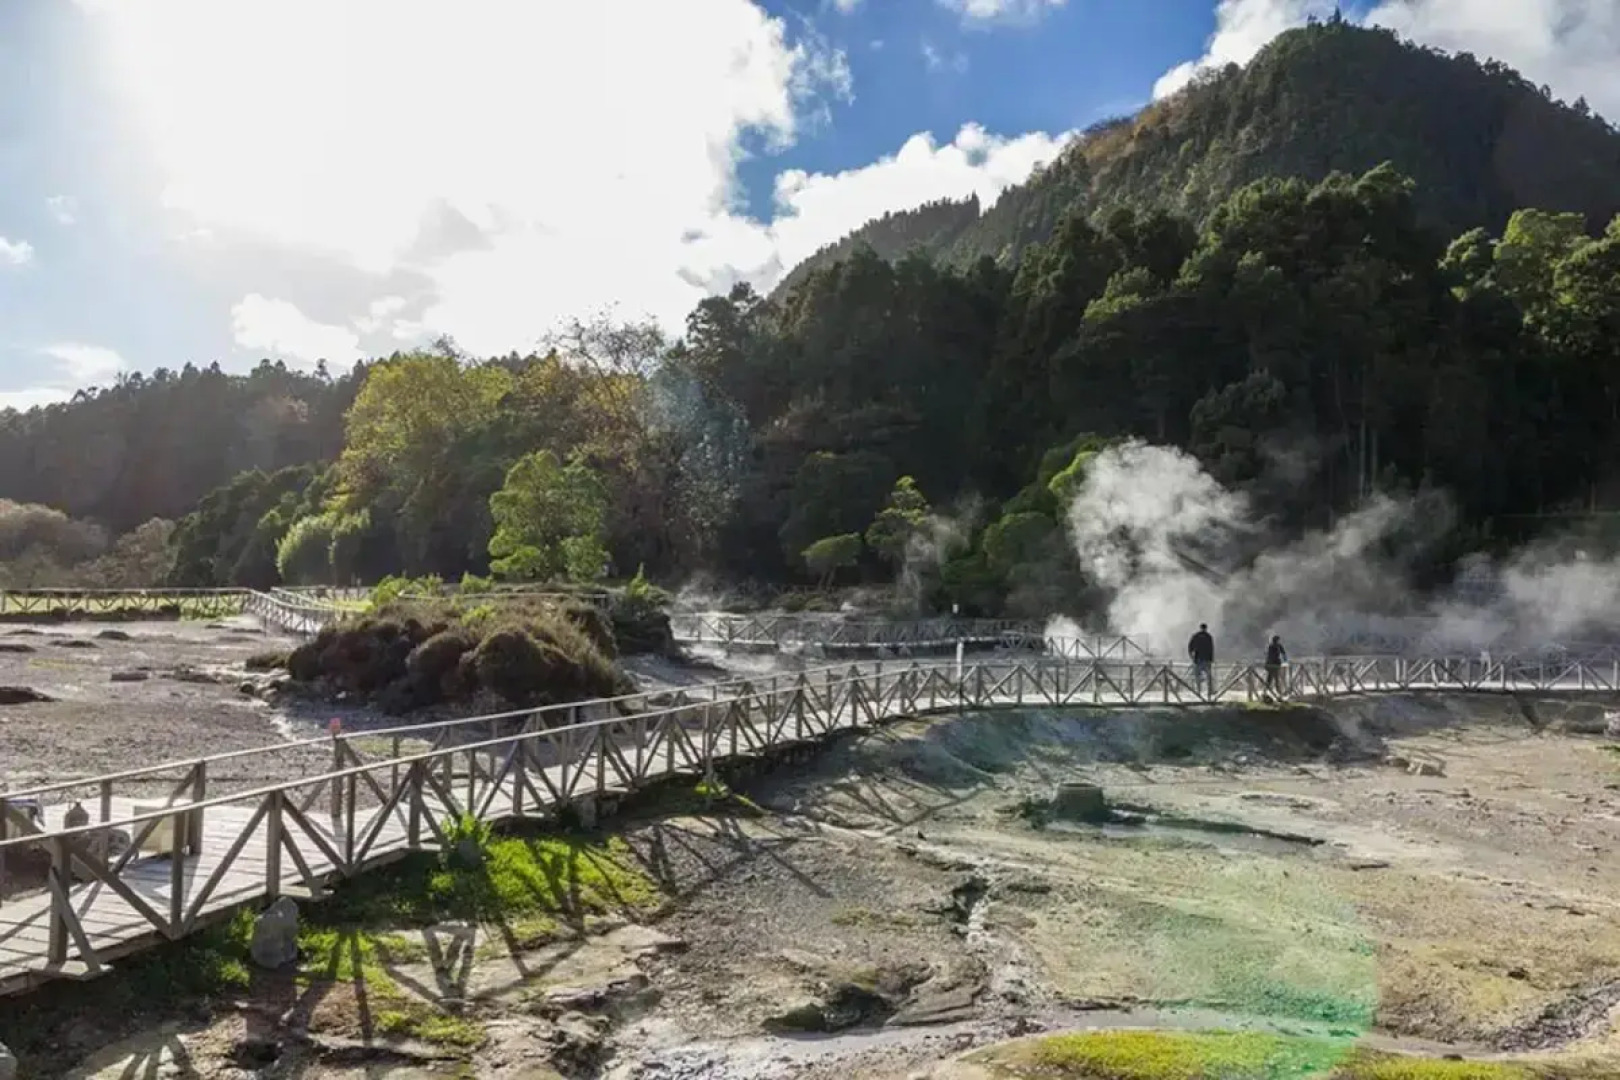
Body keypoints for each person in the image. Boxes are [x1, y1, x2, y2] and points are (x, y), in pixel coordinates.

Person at [1187, 623, 1214, 697]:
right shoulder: (1209, 636)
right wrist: (1211, 659)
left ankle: (1198, 692)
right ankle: (1209, 692)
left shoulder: (1195, 636)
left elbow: (1190, 646)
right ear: (1206, 628)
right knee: (1208, 676)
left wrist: (1191, 656)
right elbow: (1211, 648)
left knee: (1197, 676)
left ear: (1200, 628)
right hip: (1206, 659)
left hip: (1197, 659)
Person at [1264, 634, 1288, 698]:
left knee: (1270, 679)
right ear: (1277, 640)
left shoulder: (1270, 646)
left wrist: (1285, 660)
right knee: (1276, 679)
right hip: (1275, 664)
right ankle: (1279, 693)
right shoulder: (1277, 646)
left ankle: (1266, 692)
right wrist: (1286, 661)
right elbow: (1283, 653)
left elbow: (1268, 655)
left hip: (1270, 664)